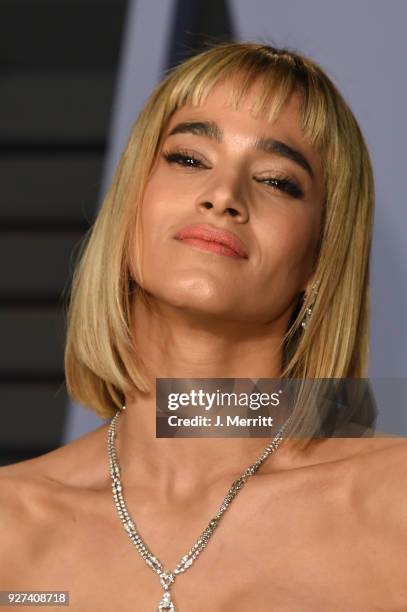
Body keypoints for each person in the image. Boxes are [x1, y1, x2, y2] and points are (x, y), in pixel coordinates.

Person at [0, 41, 406, 611]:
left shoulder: (394, 505)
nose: (223, 196)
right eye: (189, 159)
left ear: (319, 258)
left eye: (276, 180)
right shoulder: (9, 527)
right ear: (131, 204)